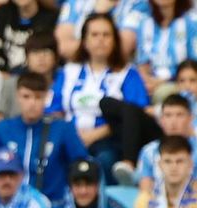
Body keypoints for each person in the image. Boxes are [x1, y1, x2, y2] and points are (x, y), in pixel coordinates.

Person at [51, 13, 152, 174]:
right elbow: (53, 111)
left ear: (114, 41)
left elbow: (135, 116)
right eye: (95, 35)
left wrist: (94, 135)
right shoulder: (68, 72)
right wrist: (70, 134)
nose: (100, 40)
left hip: (109, 140)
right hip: (69, 135)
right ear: (84, 41)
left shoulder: (128, 74)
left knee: (105, 159)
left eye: (106, 35)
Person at [0, 71, 90, 206]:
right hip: (9, 205)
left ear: (47, 98)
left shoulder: (63, 129)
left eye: (38, 97)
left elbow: (81, 166)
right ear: (17, 96)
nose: (32, 103)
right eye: (26, 97)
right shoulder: (3, 128)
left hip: (52, 206)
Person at [131, 94, 197, 193]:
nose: (173, 121)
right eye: (168, 115)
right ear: (161, 120)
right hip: (161, 206)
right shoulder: (148, 151)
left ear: (190, 118)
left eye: (179, 115)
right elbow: (145, 193)